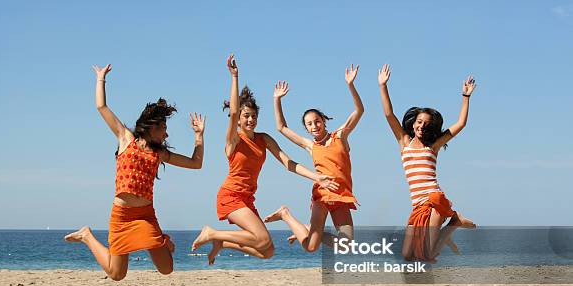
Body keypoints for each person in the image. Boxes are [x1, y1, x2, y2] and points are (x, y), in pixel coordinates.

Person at [191, 55, 338, 264]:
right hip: (231, 196)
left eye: (253, 116)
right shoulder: (234, 141)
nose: (250, 120)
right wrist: (234, 77)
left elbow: (288, 163)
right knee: (261, 238)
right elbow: (233, 112)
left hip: (247, 198)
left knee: (267, 251)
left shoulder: (264, 139)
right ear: (240, 120)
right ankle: (212, 233)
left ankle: (223, 242)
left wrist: (317, 177)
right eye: (246, 116)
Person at [65, 64, 205, 280]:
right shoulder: (125, 139)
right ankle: (87, 236)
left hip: (145, 217)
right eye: (164, 129)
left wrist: (199, 137)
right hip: (121, 217)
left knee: (167, 268)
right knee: (116, 274)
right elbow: (102, 107)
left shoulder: (159, 154)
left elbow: (196, 163)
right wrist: (101, 78)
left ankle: (161, 239)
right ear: (152, 127)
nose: (166, 135)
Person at [377, 63, 476, 262]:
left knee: (427, 254)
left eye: (427, 124)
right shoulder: (404, 142)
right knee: (407, 254)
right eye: (419, 122)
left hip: (434, 200)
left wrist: (465, 97)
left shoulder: (433, 145)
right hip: (417, 205)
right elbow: (389, 114)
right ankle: (451, 225)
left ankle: (454, 223)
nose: (422, 126)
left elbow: (460, 124)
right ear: (413, 124)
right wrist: (382, 86)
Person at [264, 65, 364, 253]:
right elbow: (281, 127)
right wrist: (276, 99)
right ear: (307, 128)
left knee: (347, 245)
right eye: (309, 124)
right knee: (311, 247)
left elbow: (359, 110)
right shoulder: (310, 146)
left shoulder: (340, 136)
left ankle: (310, 228)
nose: (314, 126)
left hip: (342, 195)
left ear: (324, 121)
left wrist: (351, 85)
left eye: (317, 121)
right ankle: (286, 215)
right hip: (322, 194)